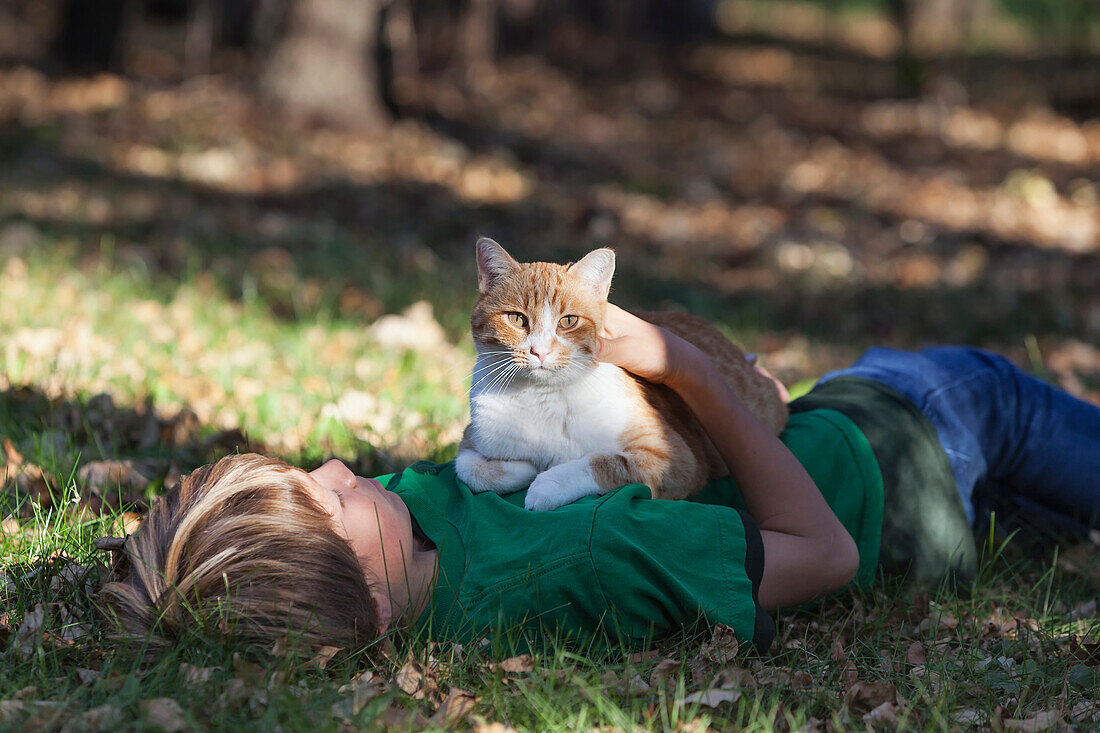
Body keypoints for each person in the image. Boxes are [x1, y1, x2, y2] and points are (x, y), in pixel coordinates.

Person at [98, 305, 1100, 654]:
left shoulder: (414, 537)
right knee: (968, 384)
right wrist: (686, 369)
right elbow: (824, 557)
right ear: (362, 596)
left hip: (874, 436)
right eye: (330, 500)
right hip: (903, 447)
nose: (333, 465)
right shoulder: (580, 558)